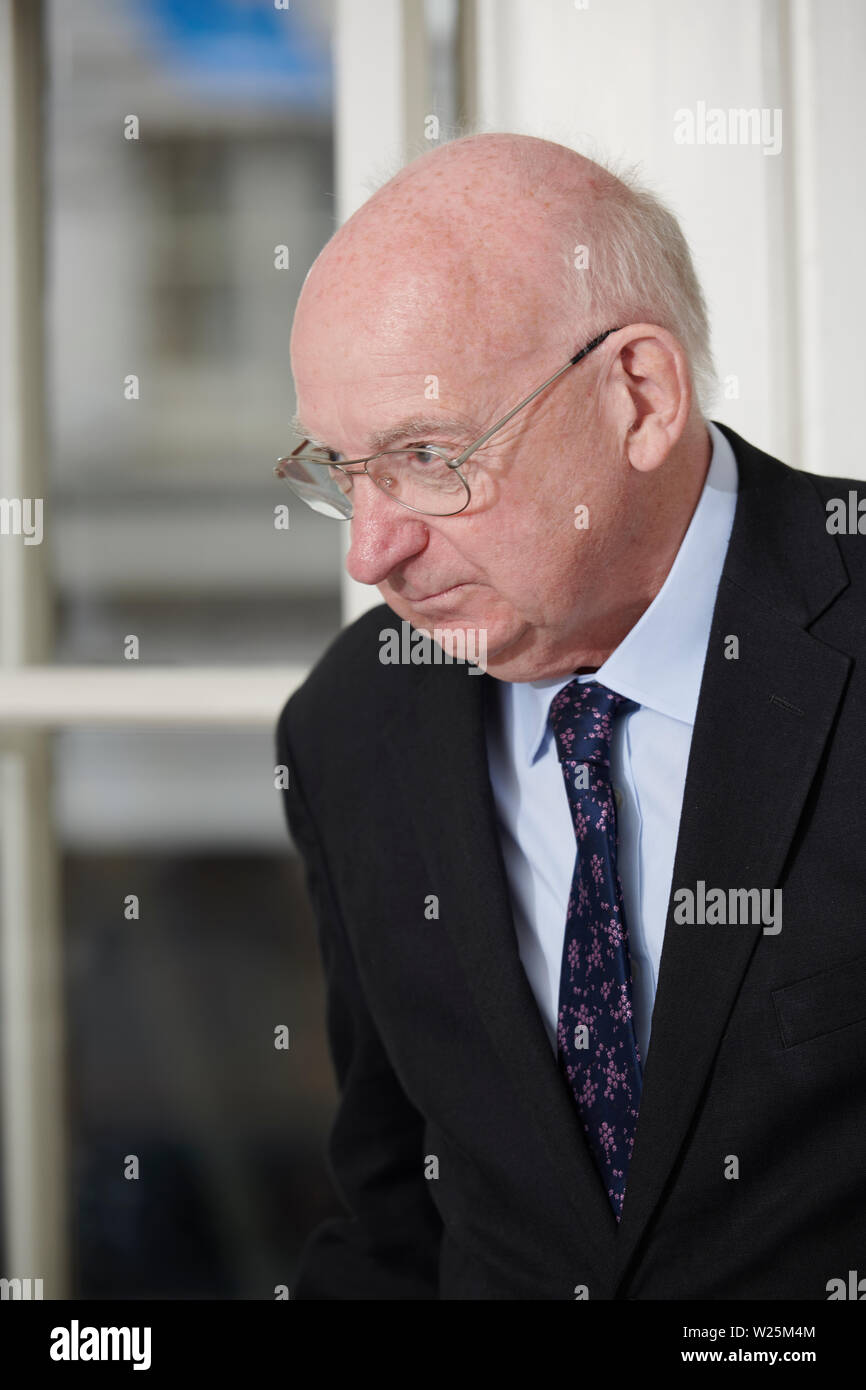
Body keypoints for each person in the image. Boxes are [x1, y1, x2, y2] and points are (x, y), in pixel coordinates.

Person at [275, 132, 866, 1300]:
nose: (370, 550)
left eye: (429, 457)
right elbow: (389, 1217)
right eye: (343, 472)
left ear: (637, 397)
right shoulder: (350, 724)